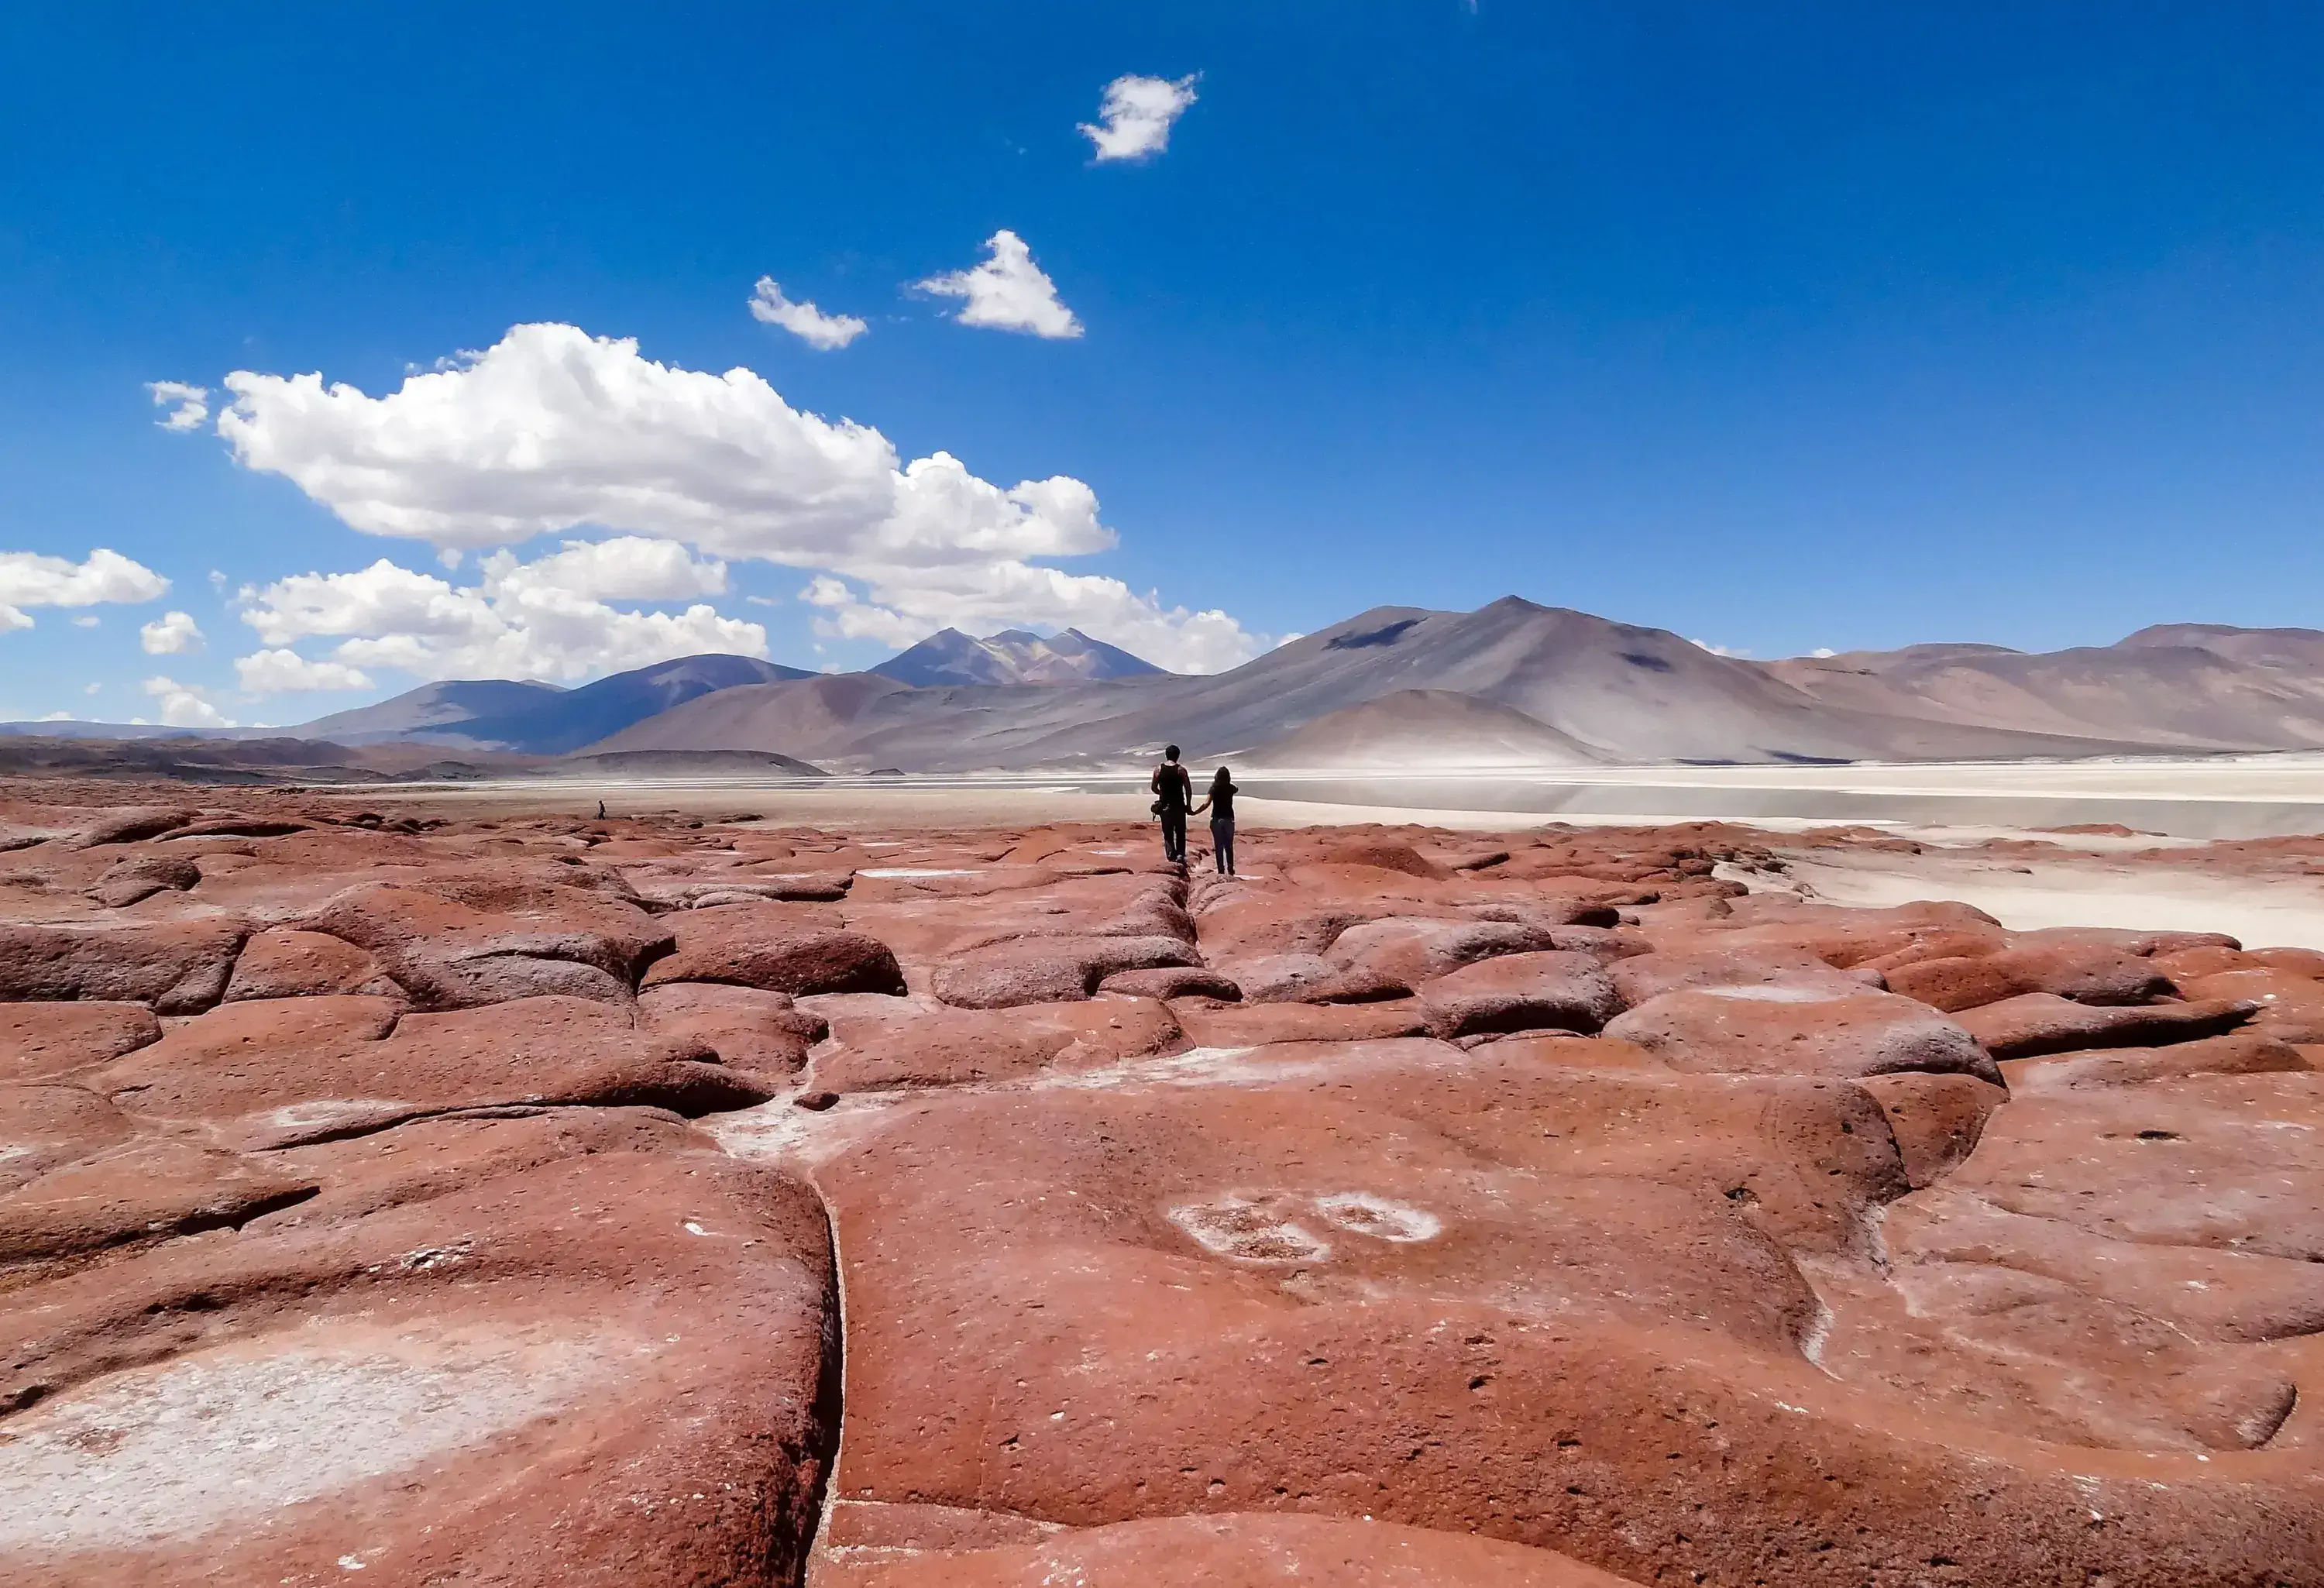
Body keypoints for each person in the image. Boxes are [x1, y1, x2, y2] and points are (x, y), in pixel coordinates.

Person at [1191, 765, 1238, 876]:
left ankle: (1221, 870)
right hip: (1228, 819)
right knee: (1229, 846)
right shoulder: (1231, 788)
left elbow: (1206, 803)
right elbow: (1236, 789)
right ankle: (1230, 869)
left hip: (1216, 819)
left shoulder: (1214, 788)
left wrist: (1195, 812)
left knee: (1219, 846)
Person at [1150, 744, 1192, 864]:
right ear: (1178, 756)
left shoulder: (1158, 769)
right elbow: (1188, 789)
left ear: (1166, 755)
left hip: (1165, 807)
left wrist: (1162, 794)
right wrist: (1188, 805)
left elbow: (1153, 787)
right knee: (1180, 832)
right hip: (1179, 806)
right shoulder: (1181, 770)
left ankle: (1170, 856)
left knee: (1168, 833)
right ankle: (1179, 855)